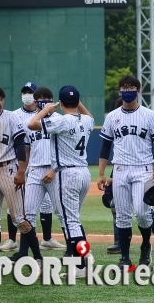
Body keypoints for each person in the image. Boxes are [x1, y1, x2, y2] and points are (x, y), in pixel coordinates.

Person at [97, 75, 154, 268]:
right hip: (119, 170)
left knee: (143, 214)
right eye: (124, 87)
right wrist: (102, 174)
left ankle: (145, 245)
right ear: (120, 91)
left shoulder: (149, 115)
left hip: (144, 170)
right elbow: (104, 147)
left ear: (138, 91)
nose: (127, 90)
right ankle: (125, 258)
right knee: (122, 215)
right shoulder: (112, 117)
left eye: (131, 87)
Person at [28, 86, 93, 278]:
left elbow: (32, 124)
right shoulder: (88, 120)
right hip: (84, 173)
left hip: (68, 175)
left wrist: (46, 110)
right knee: (73, 220)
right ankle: (84, 258)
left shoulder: (62, 121)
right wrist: (77, 101)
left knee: (70, 221)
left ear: (61, 103)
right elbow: (88, 114)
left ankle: (81, 265)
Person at [0, 84, 42, 268]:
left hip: (9, 169)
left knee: (19, 218)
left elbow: (21, 144)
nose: (0, 103)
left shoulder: (11, 117)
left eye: (1, 99)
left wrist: (21, 171)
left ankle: (38, 257)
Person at [104, 97, 154, 255]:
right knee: (117, 207)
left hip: (143, 168)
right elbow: (119, 150)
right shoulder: (114, 119)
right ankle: (119, 243)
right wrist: (112, 175)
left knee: (143, 208)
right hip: (122, 168)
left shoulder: (145, 117)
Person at [10, 86, 67, 263]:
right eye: (40, 98)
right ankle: (24, 252)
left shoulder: (60, 120)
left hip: (54, 171)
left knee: (63, 213)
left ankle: (72, 250)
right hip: (34, 171)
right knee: (28, 214)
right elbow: (26, 148)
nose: (43, 101)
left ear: (53, 101)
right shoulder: (32, 121)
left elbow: (65, 150)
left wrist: (54, 169)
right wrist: (23, 172)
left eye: (47, 98)